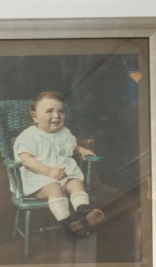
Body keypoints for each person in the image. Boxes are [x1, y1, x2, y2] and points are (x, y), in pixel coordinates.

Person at [11, 91, 103, 234]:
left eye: (61, 111)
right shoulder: (29, 136)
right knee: (54, 187)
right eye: (49, 111)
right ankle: (68, 223)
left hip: (63, 176)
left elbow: (73, 146)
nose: (56, 116)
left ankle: (83, 212)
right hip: (37, 180)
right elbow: (26, 160)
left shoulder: (64, 133)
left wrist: (82, 150)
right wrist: (48, 171)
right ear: (35, 117)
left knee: (76, 183)